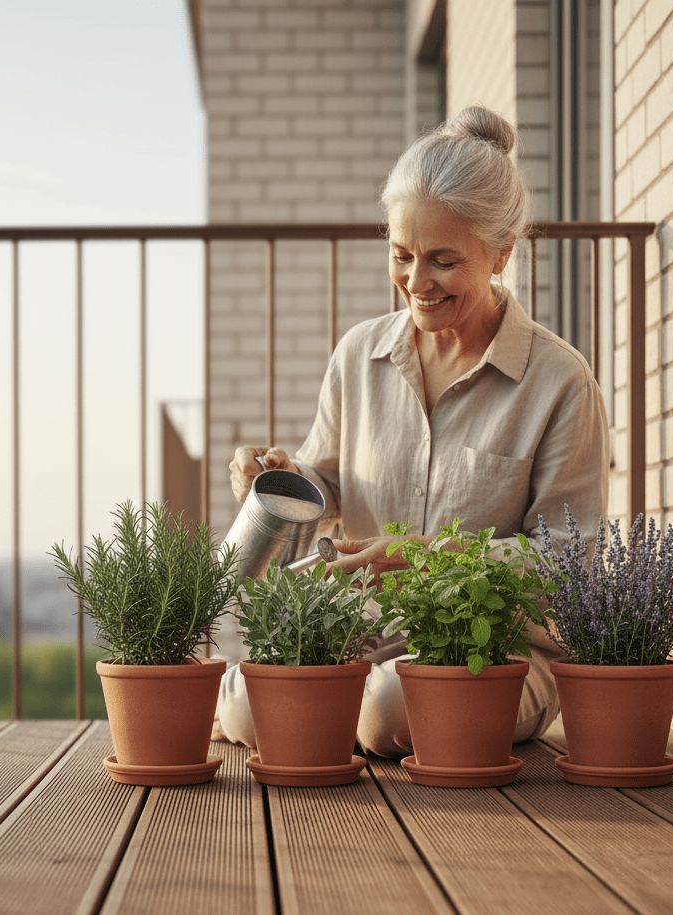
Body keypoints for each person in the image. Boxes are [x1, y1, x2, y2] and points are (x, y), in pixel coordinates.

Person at [214, 105, 610, 757]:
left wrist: (426, 558)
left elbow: (568, 565)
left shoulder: (560, 382)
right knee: (250, 703)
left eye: (442, 261)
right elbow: (328, 482)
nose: (416, 282)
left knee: (386, 706)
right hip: (361, 635)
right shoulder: (358, 355)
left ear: (501, 252)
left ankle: (325, 714)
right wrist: (282, 477)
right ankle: (316, 708)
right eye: (401, 256)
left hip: (491, 650)